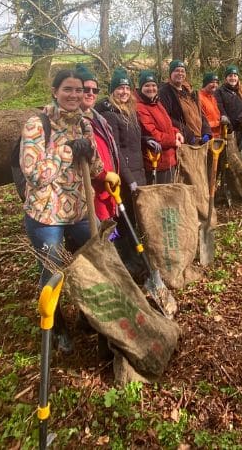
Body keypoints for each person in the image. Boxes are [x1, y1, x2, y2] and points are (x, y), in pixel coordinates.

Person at [21, 69, 103, 353]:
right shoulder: (37, 124)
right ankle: (55, 326)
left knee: (98, 258)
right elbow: (34, 175)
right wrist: (67, 151)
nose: (75, 95)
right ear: (55, 91)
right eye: (68, 89)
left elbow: (98, 169)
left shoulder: (84, 124)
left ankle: (88, 315)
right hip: (46, 216)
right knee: (54, 271)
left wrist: (90, 152)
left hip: (81, 212)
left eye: (79, 90)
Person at [95, 67, 147, 282]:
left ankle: (137, 258)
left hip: (139, 171)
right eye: (119, 88)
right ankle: (127, 261)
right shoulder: (110, 115)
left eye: (126, 87)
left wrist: (147, 142)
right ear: (112, 91)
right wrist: (130, 180)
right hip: (124, 179)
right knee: (124, 222)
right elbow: (117, 151)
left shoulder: (130, 111)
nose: (124, 92)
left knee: (135, 219)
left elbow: (133, 143)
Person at [75, 63, 120, 221]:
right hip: (90, 191)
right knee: (95, 237)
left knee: (108, 232)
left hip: (108, 188)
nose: (91, 93)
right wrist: (104, 175)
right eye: (86, 89)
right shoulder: (73, 121)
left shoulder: (99, 118)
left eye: (95, 90)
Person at [135, 69, 184, 184]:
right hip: (156, 161)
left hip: (169, 159)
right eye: (147, 85)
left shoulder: (156, 102)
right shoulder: (140, 107)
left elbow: (167, 125)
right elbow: (152, 133)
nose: (151, 88)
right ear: (140, 88)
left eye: (153, 85)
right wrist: (172, 141)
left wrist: (176, 132)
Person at [158, 59, 212, 145]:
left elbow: (200, 113)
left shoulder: (189, 92)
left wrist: (207, 132)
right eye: (176, 71)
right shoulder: (164, 92)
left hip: (199, 140)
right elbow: (166, 118)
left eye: (182, 71)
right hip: (183, 141)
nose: (180, 73)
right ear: (170, 73)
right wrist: (188, 134)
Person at [215, 65, 242, 150]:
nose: (233, 78)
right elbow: (219, 106)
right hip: (226, 128)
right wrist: (225, 118)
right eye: (230, 76)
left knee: (239, 150)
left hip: (240, 126)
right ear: (226, 78)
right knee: (227, 152)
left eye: (235, 76)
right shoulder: (220, 91)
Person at [198, 72, 222, 138]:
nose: (215, 85)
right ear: (205, 83)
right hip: (207, 135)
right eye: (212, 82)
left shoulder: (213, 98)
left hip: (217, 135)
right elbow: (200, 118)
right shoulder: (199, 98)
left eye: (217, 82)